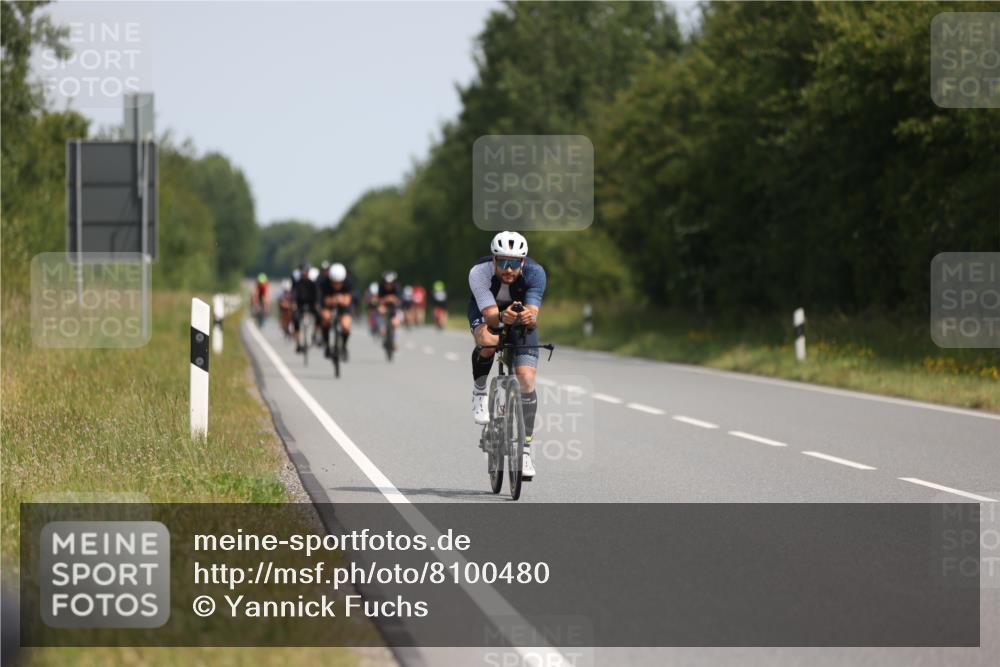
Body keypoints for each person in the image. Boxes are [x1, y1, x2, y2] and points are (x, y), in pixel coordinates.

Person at [468, 231, 546, 480]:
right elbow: (491, 315)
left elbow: (533, 313)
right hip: (489, 312)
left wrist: (527, 317)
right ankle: (480, 390)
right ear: (493, 260)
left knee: (525, 378)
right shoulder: (479, 273)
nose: (508, 269)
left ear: (523, 262)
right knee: (489, 341)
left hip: (518, 319)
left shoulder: (535, 273)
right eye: (503, 262)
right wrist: (502, 318)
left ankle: (524, 450)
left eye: (514, 263)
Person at [318, 263, 354, 361]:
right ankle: (327, 345)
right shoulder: (323, 283)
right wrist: (332, 300)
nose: (337, 285)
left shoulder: (348, 281)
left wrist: (342, 300)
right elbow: (321, 299)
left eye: (339, 282)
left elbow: (350, 298)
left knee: (346, 326)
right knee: (325, 318)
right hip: (328, 306)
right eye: (334, 282)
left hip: (344, 307)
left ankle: (344, 347)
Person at [291, 263, 319, 353]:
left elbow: (317, 295)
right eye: (303, 272)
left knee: (319, 316)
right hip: (300, 305)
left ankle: (315, 334)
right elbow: (294, 295)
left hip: (311, 305)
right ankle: (298, 342)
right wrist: (294, 303)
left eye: (306, 272)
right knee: (295, 319)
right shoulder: (297, 284)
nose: (304, 274)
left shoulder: (312, 283)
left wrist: (317, 304)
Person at [377, 271, 402, 342]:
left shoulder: (397, 287)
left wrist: (392, 299)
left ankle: (395, 341)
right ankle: (382, 328)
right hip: (384, 307)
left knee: (395, 323)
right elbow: (379, 300)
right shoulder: (381, 287)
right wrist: (388, 299)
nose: (388, 285)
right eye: (387, 283)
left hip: (395, 308)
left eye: (390, 283)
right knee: (380, 310)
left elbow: (399, 301)